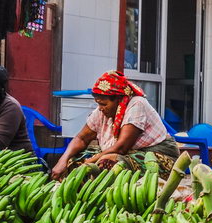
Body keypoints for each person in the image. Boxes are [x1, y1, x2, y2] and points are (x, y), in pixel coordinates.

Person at [50, 71, 179, 179]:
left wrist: (88, 163)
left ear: (118, 100)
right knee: (73, 161)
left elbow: (121, 148)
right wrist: (63, 160)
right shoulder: (102, 111)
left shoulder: (137, 104)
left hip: (154, 154)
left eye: (104, 104)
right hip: (124, 153)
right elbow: (81, 138)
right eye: (98, 103)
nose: (100, 108)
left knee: (107, 163)